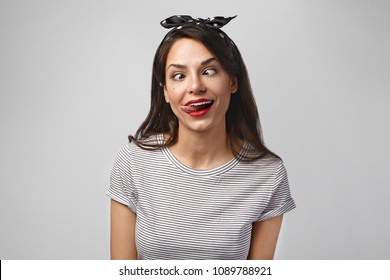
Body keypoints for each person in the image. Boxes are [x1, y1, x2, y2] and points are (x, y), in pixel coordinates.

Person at [107, 15, 296, 260]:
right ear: (165, 91)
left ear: (232, 82)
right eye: (178, 76)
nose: (195, 86)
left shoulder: (268, 174)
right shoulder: (133, 162)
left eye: (208, 71)